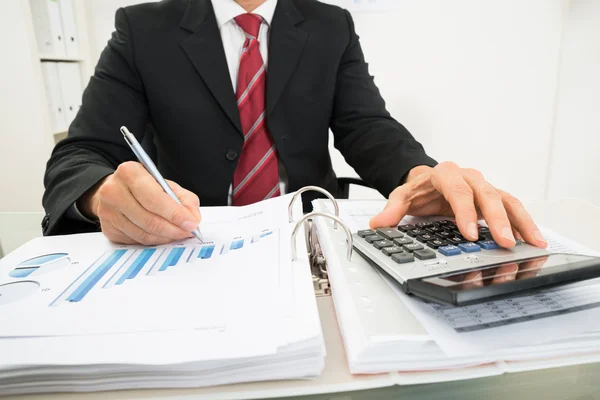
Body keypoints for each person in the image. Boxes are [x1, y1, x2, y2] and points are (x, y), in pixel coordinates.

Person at [42, 0, 548, 251]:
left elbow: (367, 126)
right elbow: (80, 153)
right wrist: (100, 193)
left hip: (310, 242)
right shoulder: (143, 28)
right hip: (189, 244)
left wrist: (418, 174)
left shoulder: (330, 25)